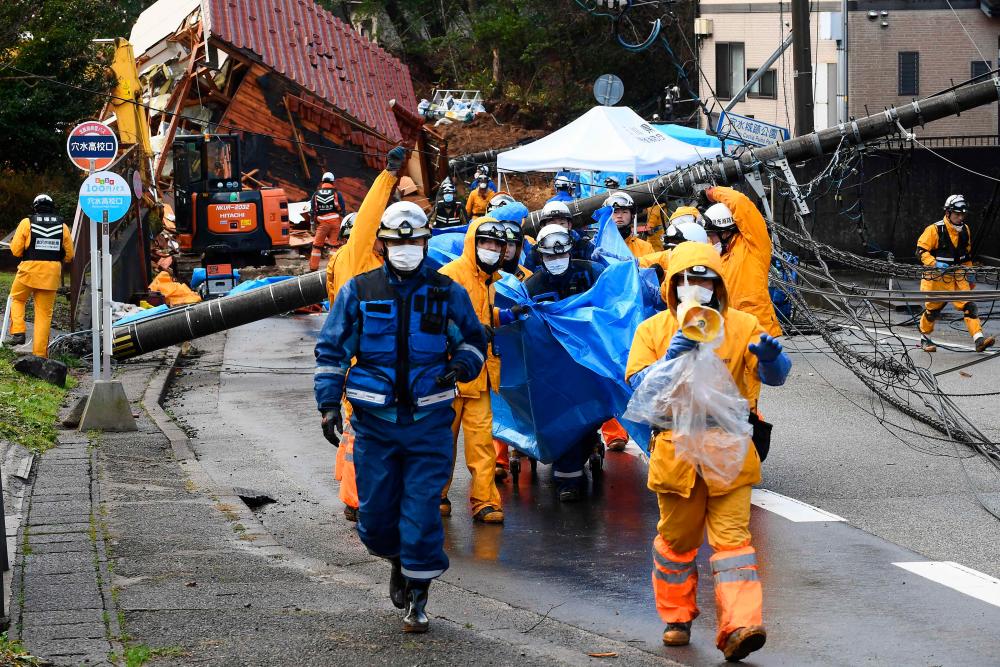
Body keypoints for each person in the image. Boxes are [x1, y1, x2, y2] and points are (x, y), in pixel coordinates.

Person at [314, 200, 487, 633]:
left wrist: (463, 365)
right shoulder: (360, 291)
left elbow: (472, 340)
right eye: (399, 241)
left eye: (414, 241)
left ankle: (418, 594)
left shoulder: (446, 292)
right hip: (375, 424)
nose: (407, 248)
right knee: (374, 518)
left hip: (430, 424)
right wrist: (328, 404)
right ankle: (397, 560)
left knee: (422, 511)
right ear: (383, 245)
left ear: (426, 243)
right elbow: (333, 350)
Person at [625, 241, 790, 662]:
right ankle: (677, 617)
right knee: (678, 541)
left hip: (728, 450)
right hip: (676, 451)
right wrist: (669, 357)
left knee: (733, 542)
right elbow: (638, 389)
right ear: (673, 285)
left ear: (719, 284)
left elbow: (773, 377)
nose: (696, 287)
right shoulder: (653, 330)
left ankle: (739, 626)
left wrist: (774, 360)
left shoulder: (742, 324)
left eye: (705, 279)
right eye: (687, 279)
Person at [324, 148, 408, 522]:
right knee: (363, 433)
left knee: (362, 435)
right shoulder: (356, 256)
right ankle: (358, 501)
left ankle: (359, 493)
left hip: (370, 357)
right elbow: (370, 215)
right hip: (363, 361)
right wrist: (388, 176)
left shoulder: (368, 262)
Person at [439, 217, 514, 523]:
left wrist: (505, 317)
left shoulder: (489, 280)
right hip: (449, 376)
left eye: (497, 245)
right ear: (473, 242)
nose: (491, 249)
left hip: (480, 375)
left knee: (482, 443)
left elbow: (481, 316)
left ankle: (485, 501)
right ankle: (436, 496)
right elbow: (437, 320)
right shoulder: (449, 276)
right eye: (486, 242)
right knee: (441, 441)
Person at [523, 224, 605, 501]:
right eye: (549, 256)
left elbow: (612, 295)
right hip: (551, 362)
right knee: (560, 413)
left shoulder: (590, 272)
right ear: (540, 257)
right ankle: (568, 477)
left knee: (590, 408)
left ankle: (587, 443)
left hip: (587, 357)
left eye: (561, 255)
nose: (556, 261)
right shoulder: (532, 285)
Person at [600, 191, 654, 452]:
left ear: (632, 215)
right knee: (610, 373)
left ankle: (647, 426)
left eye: (624, 210)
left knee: (639, 373)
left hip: (638, 319)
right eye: (614, 210)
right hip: (610, 319)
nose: (619, 215)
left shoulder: (645, 248)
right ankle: (613, 430)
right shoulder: (598, 247)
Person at [699, 187, 782, 337]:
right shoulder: (719, 256)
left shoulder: (753, 246)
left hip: (758, 332)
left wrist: (711, 193)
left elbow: (739, 202)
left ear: (725, 232)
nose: (710, 241)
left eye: (712, 236)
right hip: (731, 335)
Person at [917, 194, 995, 352]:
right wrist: (935, 264)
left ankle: (979, 340)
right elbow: (920, 251)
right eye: (957, 214)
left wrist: (970, 273)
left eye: (962, 214)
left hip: (959, 276)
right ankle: (925, 339)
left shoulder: (965, 230)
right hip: (937, 279)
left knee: (970, 306)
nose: (960, 217)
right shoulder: (934, 230)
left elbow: (966, 255)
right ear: (948, 213)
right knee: (932, 311)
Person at [6, 194, 73, 357]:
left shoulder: (27, 223)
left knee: (17, 299)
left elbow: (15, 250)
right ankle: (40, 355)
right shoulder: (62, 226)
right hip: (51, 274)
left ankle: (18, 331)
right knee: (44, 314)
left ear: (35, 207)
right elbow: (69, 255)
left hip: (28, 271)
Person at [309, 172, 348, 271]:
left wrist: (312, 224)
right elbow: (343, 210)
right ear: (332, 182)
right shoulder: (336, 194)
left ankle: (313, 268)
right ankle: (333, 268)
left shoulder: (316, 194)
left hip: (322, 224)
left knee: (317, 246)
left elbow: (312, 211)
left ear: (322, 181)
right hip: (335, 223)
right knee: (334, 245)